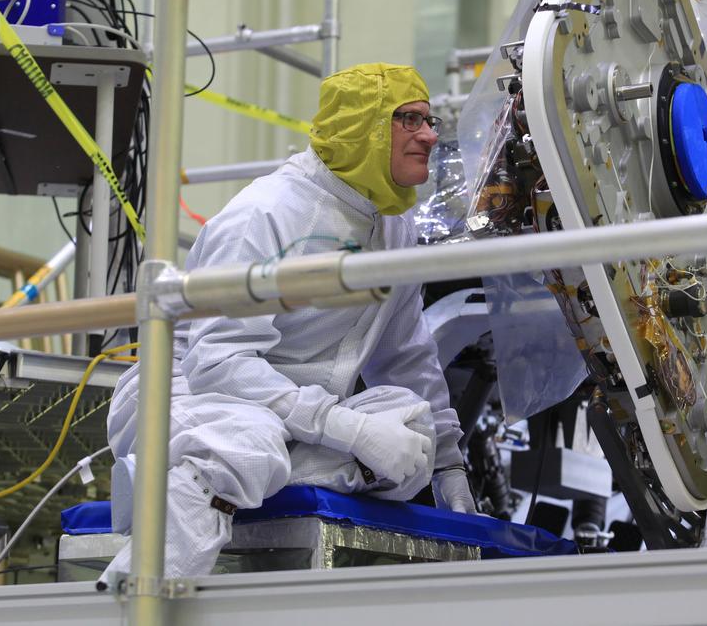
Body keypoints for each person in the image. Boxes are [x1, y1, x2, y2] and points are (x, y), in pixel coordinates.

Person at [99, 62, 475, 583]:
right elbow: (217, 361)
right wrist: (347, 429)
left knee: (410, 424)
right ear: (361, 127)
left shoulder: (393, 225)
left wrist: (448, 465)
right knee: (250, 440)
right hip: (197, 402)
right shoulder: (266, 214)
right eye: (409, 119)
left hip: (292, 419)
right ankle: (140, 583)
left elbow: (407, 353)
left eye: (430, 120)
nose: (430, 135)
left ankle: (224, 482)